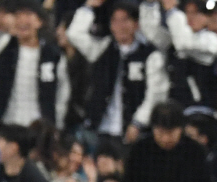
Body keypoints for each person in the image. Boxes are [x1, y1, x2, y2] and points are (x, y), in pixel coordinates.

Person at [67, 0, 167, 143]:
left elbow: (156, 94)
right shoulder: (103, 48)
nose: (120, 26)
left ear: (136, 24)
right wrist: (88, 7)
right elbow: (74, 34)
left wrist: (138, 122)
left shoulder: (149, 55)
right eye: (115, 21)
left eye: (125, 20)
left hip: (134, 132)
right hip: (99, 130)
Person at [0, 0, 68, 128]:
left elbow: (63, 90)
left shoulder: (52, 55)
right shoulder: (4, 49)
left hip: (40, 126)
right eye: (18, 15)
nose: (22, 20)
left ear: (39, 21)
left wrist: (57, 123)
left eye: (28, 15)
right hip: (7, 123)